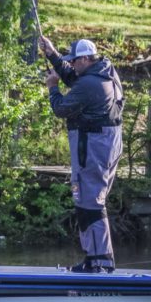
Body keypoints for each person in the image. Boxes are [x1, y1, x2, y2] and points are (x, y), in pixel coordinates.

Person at [39, 36, 124, 273]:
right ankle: (94, 258)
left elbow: (61, 109)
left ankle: (100, 263)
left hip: (94, 147)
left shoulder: (90, 84)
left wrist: (52, 87)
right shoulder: (103, 74)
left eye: (75, 61)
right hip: (104, 145)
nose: (73, 65)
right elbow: (73, 77)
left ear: (86, 59)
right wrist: (53, 55)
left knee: (90, 203)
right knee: (89, 200)